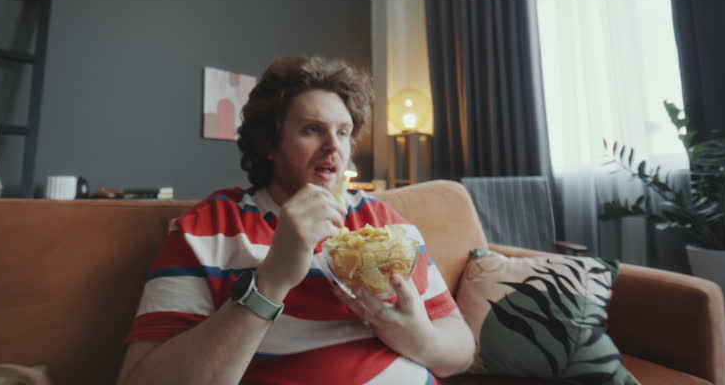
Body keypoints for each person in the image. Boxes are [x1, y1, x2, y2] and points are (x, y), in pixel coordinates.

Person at [117, 57, 475, 385]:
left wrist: (419, 338)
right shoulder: (210, 228)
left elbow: (460, 349)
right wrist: (272, 279)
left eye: (344, 132)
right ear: (270, 144)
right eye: (312, 129)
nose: (333, 146)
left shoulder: (384, 223)